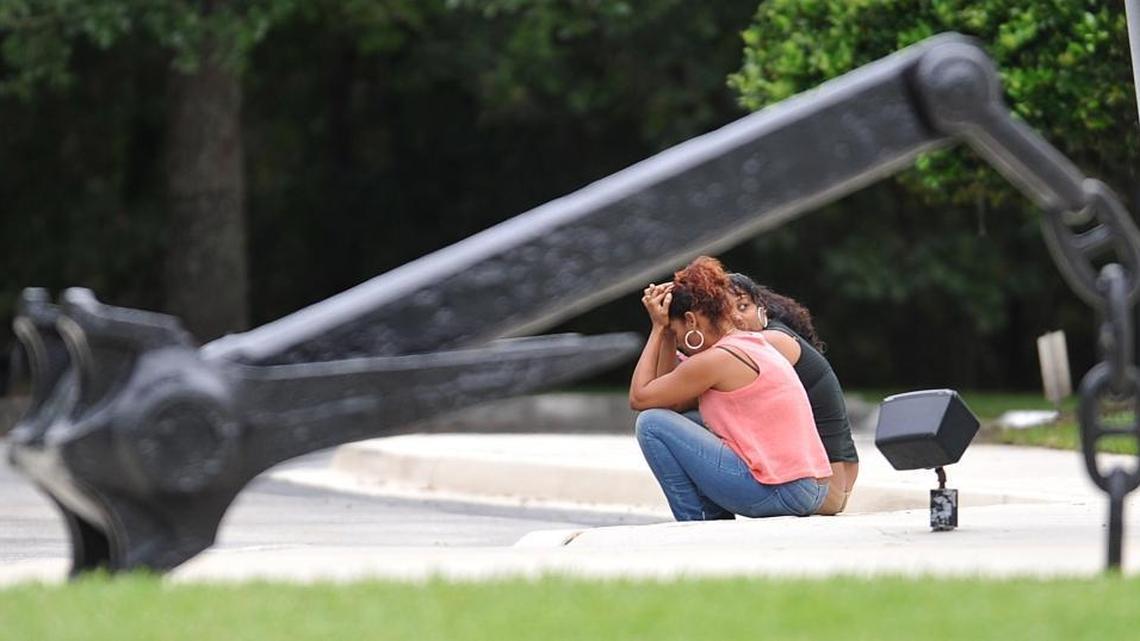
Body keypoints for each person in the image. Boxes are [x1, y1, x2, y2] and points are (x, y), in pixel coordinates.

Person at [628, 256, 832, 521]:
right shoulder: (747, 343)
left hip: (785, 490)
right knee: (685, 419)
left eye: (677, 336)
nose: (679, 344)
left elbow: (640, 397)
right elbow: (671, 404)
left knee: (651, 424)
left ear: (691, 321)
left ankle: (699, 524)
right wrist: (668, 333)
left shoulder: (718, 359)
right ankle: (709, 518)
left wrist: (657, 329)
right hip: (809, 487)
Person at [727, 273, 859, 515]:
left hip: (824, 487)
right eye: (722, 313)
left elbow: (657, 396)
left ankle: (706, 519)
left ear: (761, 308)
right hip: (830, 482)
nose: (735, 317)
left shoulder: (770, 342)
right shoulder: (774, 336)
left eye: (743, 306)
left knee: (681, 420)